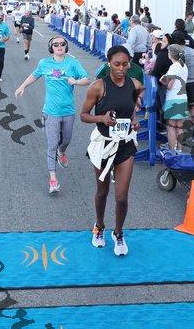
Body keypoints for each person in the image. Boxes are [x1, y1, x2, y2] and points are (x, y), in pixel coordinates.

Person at [80, 45, 143, 256]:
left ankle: (119, 233)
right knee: (102, 191)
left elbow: (131, 110)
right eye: (117, 64)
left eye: (125, 64)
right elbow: (84, 115)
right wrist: (102, 118)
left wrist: (134, 121)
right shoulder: (98, 87)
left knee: (122, 197)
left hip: (125, 144)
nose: (121, 68)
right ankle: (99, 226)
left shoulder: (135, 85)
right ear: (109, 63)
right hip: (104, 144)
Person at [16, 36, 90, 193]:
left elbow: (86, 80)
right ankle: (53, 179)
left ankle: (61, 152)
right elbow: (34, 75)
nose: (59, 46)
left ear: (66, 47)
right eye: (56, 45)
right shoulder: (44, 63)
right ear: (51, 48)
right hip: (50, 112)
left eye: (62, 44)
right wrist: (22, 86)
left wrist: (76, 82)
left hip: (68, 111)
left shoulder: (73, 63)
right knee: (52, 144)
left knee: (66, 140)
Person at [160, 44, 189, 152]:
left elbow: (169, 85)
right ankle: (179, 150)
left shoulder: (173, 67)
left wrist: (162, 80)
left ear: (171, 54)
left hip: (173, 98)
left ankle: (172, 151)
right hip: (182, 97)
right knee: (179, 125)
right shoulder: (183, 66)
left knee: (171, 127)